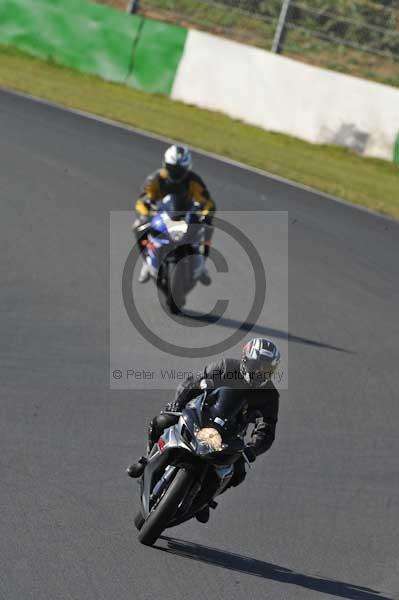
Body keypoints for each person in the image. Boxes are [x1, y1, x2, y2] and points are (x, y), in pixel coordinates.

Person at [127, 338, 280, 523]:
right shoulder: (226, 366)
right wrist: (178, 403)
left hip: (230, 433)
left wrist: (252, 449)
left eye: (267, 370)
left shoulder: (270, 395)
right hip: (201, 414)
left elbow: (267, 428)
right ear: (246, 360)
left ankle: (207, 498)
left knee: (238, 472)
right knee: (161, 422)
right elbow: (193, 381)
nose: (261, 372)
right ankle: (145, 460)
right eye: (258, 365)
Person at [132, 144, 216, 284]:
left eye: (179, 170)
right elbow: (141, 200)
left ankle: (201, 264)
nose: (176, 173)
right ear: (166, 165)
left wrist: (206, 214)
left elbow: (208, 201)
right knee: (138, 226)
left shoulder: (194, 180)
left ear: (187, 168)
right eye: (172, 169)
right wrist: (146, 213)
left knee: (208, 227)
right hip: (162, 214)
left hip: (187, 214)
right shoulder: (156, 179)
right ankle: (147, 261)